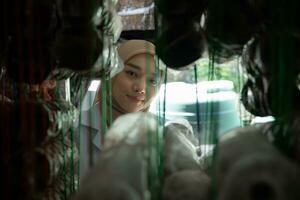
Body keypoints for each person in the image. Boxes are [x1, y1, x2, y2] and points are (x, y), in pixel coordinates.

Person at [77, 39, 164, 179]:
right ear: (111, 74)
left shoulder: (162, 137)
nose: (141, 88)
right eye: (131, 73)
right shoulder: (74, 129)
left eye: (152, 81)